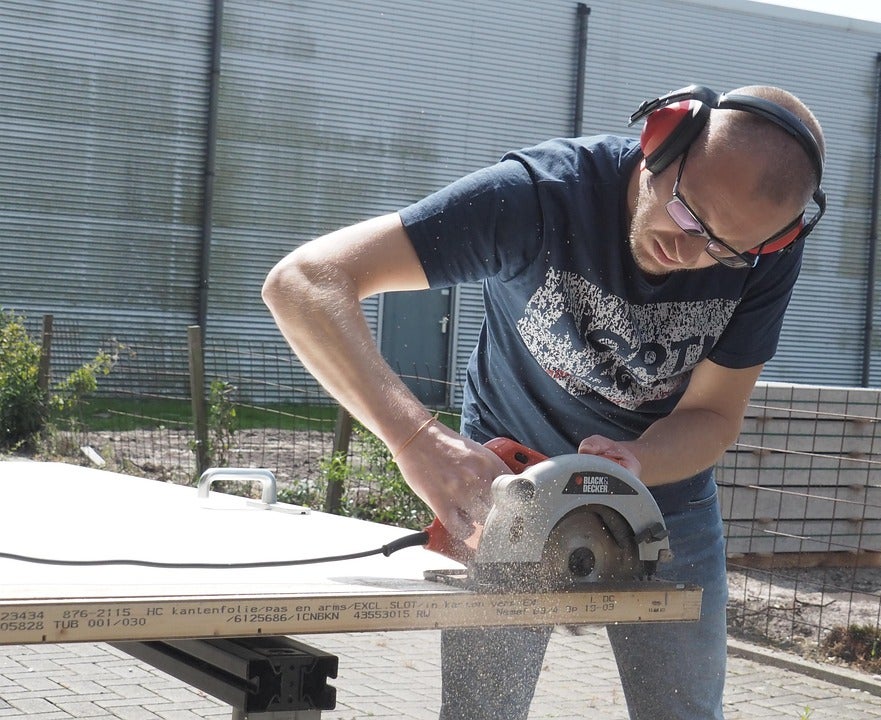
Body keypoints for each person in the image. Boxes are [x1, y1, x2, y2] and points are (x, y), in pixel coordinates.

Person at [262, 83, 825, 720]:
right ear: (662, 138)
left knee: (684, 710)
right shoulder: (537, 197)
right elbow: (305, 281)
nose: (692, 252)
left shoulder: (761, 252)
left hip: (661, 494)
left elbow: (713, 417)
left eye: (726, 247)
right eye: (689, 213)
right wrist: (416, 439)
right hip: (509, 484)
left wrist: (635, 463)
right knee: (483, 711)